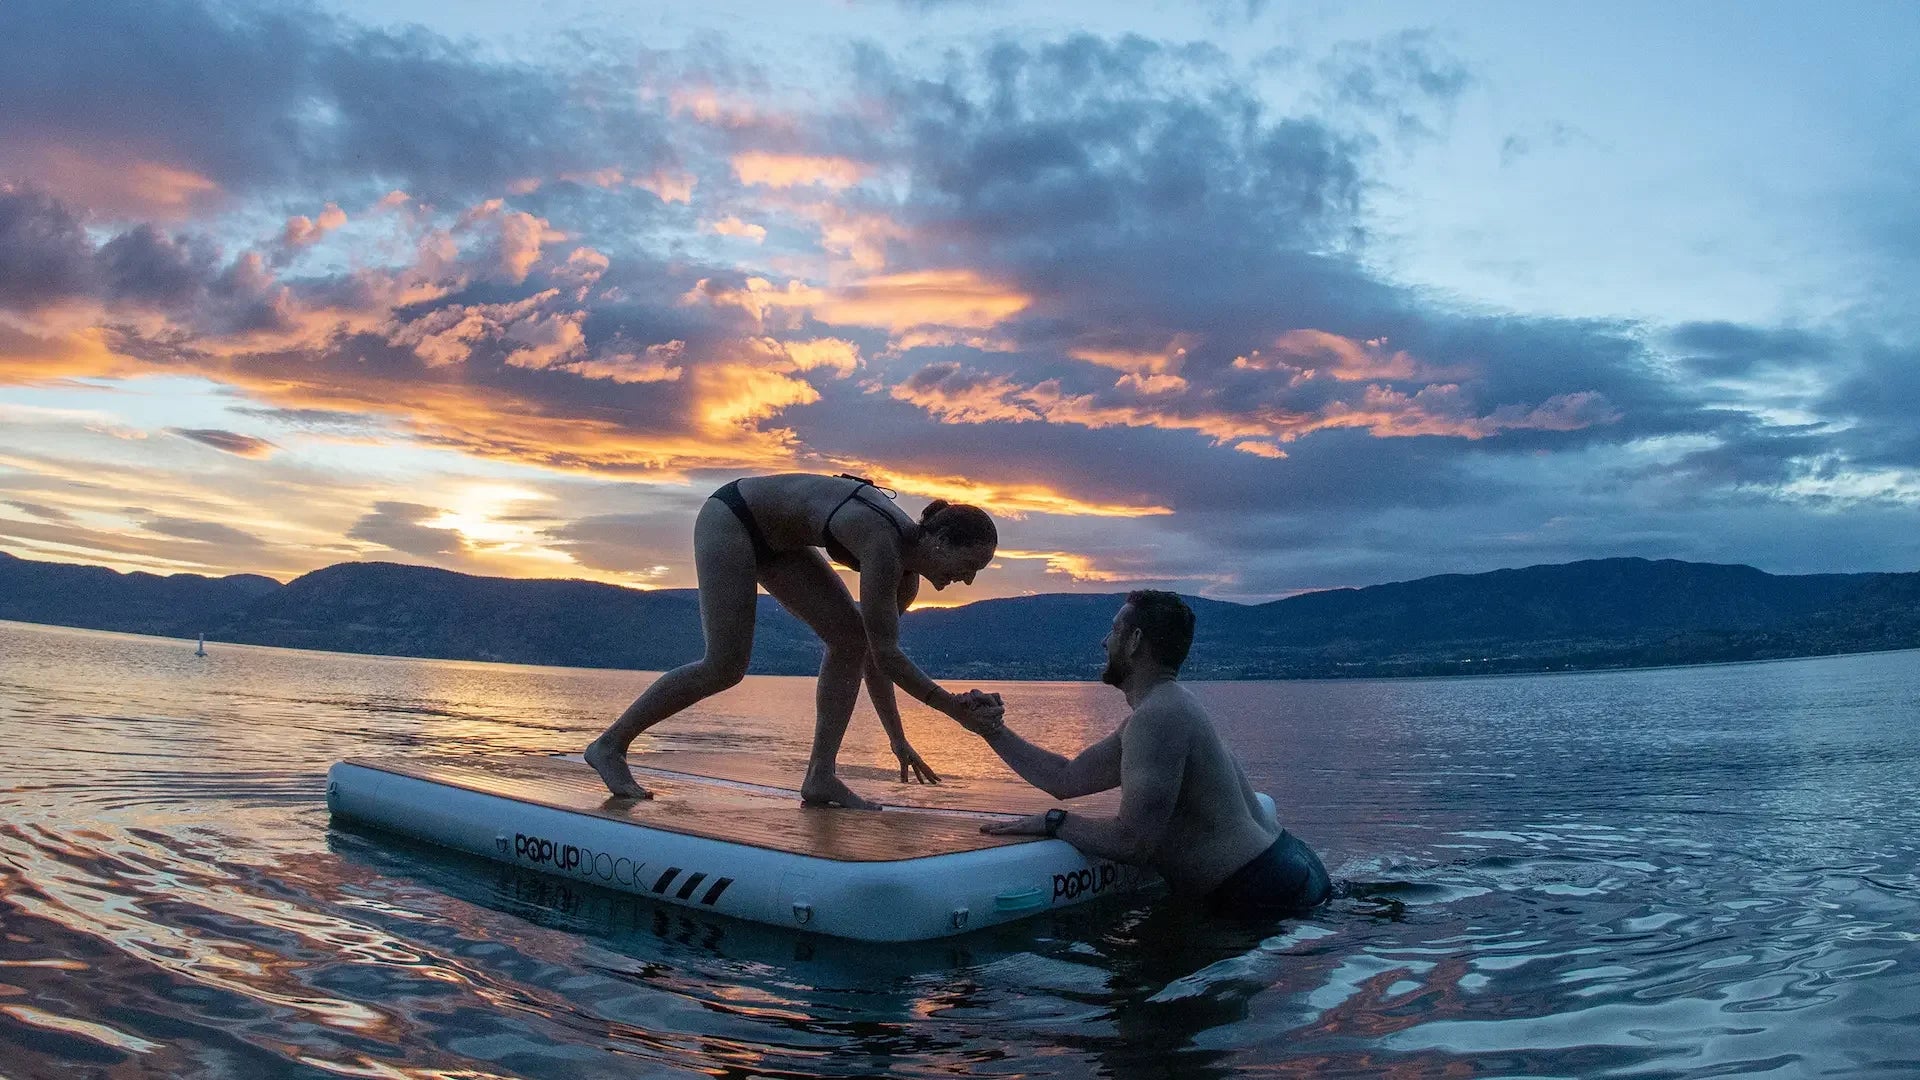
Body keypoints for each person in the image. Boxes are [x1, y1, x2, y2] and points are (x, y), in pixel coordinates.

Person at [585, 472, 1004, 807]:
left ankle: (820, 777)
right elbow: (889, 655)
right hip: (733, 517)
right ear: (938, 540)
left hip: (779, 541)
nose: (967, 579)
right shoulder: (882, 545)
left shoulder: (904, 579)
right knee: (725, 666)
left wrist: (898, 739)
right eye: (969, 565)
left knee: (849, 641)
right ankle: (609, 746)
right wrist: (952, 708)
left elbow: (876, 658)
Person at [965, 590, 1332, 918]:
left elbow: (1134, 842)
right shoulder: (1169, 709)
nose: (1103, 642)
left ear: (1134, 641)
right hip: (1285, 866)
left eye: (1113, 631)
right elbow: (1065, 778)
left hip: (1262, 889)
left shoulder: (1158, 718)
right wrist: (991, 731)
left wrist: (1056, 822)